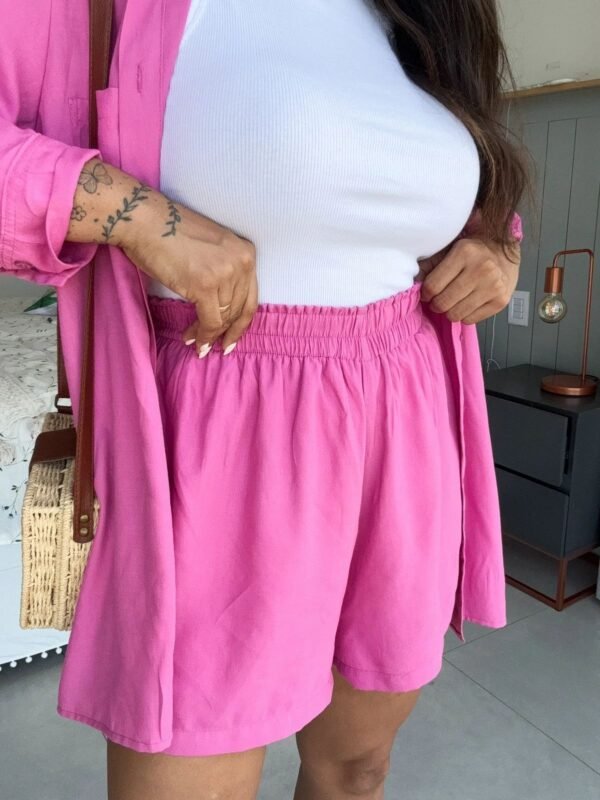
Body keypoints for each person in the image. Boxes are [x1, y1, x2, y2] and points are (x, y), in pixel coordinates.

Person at [0, 0, 530, 798]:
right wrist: (136, 216)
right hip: (219, 422)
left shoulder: (435, 10)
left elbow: (454, 175)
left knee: (357, 768)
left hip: (405, 408)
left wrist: (495, 244)